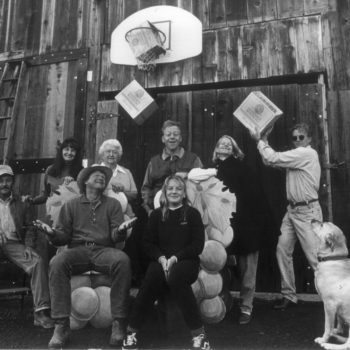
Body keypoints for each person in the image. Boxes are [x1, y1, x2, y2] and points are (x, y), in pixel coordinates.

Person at [34, 165, 133, 349]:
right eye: (96, 175)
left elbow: (114, 236)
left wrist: (120, 232)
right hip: (78, 250)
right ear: (85, 181)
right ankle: (61, 325)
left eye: (104, 177)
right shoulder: (71, 205)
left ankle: (119, 322)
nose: (101, 178)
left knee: (122, 260)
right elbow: (63, 236)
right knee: (57, 262)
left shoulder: (113, 204)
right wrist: (52, 233)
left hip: (103, 250)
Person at [122, 175, 211, 350]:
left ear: (184, 193)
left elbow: (197, 245)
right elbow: (147, 243)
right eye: (170, 188)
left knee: (176, 276)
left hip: (186, 262)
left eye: (178, 188)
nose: (174, 192)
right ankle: (131, 333)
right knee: (153, 275)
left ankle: (199, 335)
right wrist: (162, 258)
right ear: (164, 192)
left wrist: (176, 258)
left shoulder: (192, 214)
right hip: (161, 261)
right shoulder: (156, 215)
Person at [250, 122, 323, 310]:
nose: (298, 140)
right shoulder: (296, 157)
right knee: (282, 250)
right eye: (295, 137)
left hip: (308, 213)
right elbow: (269, 160)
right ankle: (289, 295)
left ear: (309, 139)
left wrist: (259, 139)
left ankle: (335, 301)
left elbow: (272, 157)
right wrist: (264, 139)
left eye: (301, 137)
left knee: (316, 258)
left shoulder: (307, 154)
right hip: (292, 211)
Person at [213, 135, 268, 325]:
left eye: (230, 144)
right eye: (222, 143)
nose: (225, 145)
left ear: (234, 150)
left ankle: (246, 307)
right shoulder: (211, 171)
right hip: (222, 227)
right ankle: (222, 303)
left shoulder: (242, 168)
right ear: (216, 149)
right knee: (220, 267)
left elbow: (254, 197)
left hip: (245, 226)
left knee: (247, 271)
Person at [0, 165, 53, 329]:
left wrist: (29, 246)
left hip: (13, 244)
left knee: (37, 262)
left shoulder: (21, 203)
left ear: (13, 182)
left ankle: (40, 313)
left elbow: (30, 227)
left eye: (8, 180)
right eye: (0, 180)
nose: (4, 184)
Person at [141, 120, 203, 216]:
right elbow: (146, 188)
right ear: (163, 139)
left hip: (187, 211)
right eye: (168, 134)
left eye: (175, 134)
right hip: (158, 211)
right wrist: (149, 209)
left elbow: (202, 183)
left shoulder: (193, 159)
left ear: (180, 138)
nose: (172, 137)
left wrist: (188, 175)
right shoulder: (153, 162)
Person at [30, 137, 83, 205]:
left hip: (73, 211)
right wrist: (31, 201)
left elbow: (84, 197)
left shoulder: (82, 172)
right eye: (66, 149)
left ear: (77, 154)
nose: (69, 153)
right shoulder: (50, 170)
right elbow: (46, 195)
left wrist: (73, 184)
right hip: (54, 212)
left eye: (73, 150)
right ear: (61, 151)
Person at [98, 139, 137, 217]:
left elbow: (134, 194)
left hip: (124, 215)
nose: (111, 154)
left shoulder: (126, 172)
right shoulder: (95, 170)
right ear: (102, 154)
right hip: (100, 215)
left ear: (119, 155)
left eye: (115, 152)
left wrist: (122, 191)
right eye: (108, 151)